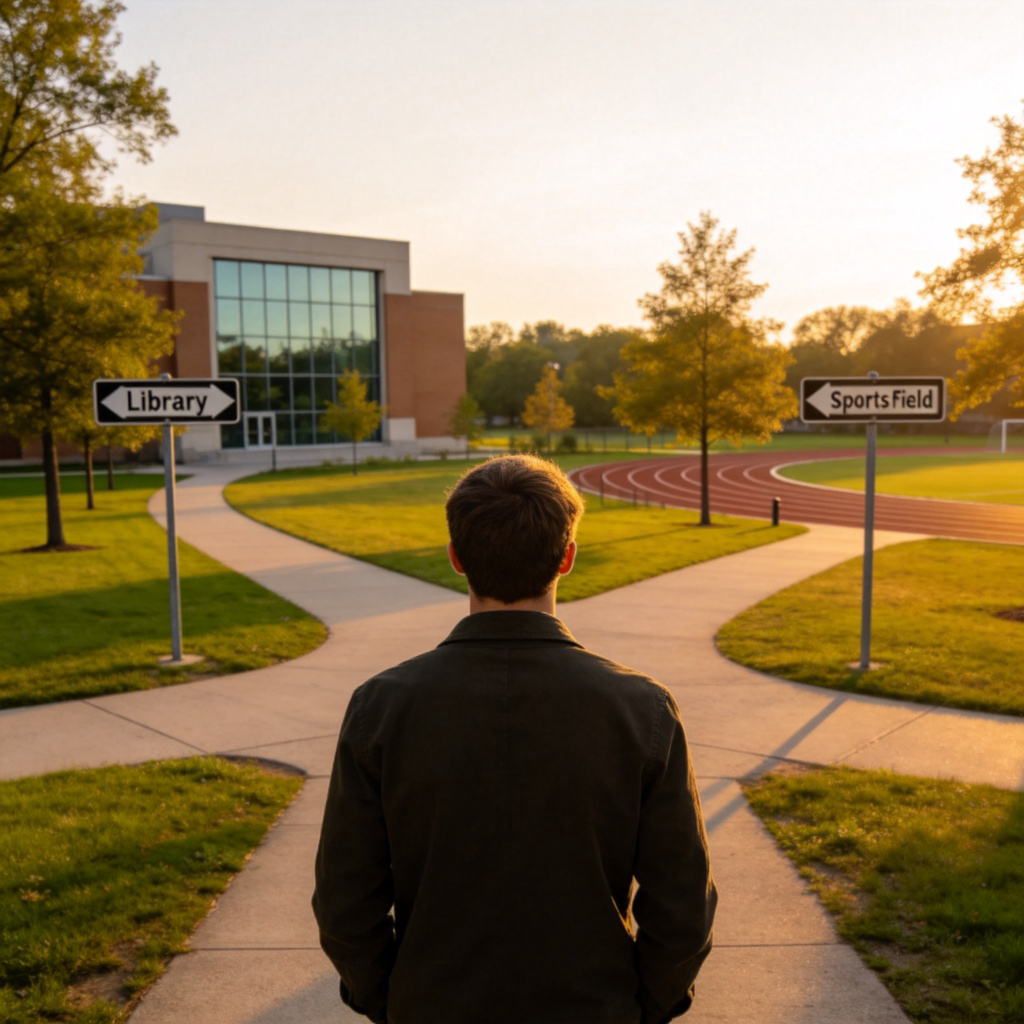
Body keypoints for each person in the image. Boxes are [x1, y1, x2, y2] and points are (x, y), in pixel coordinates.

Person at [312, 454, 716, 1024]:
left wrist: (392, 1000)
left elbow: (344, 905)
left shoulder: (381, 706)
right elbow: (683, 909)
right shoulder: (640, 708)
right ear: (568, 557)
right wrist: (643, 1007)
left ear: (456, 558)